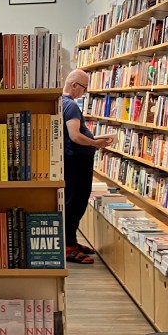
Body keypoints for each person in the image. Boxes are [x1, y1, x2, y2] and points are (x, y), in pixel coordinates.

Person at [62, 69, 114, 264]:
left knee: (73, 202)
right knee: (76, 203)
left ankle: (71, 242)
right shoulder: (71, 105)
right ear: (74, 85)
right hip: (77, 163)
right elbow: (75, 136)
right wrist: (96, 143)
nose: (84, 92)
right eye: (84, 88)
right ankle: (69, 247)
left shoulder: (61, 102)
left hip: (72, 162)